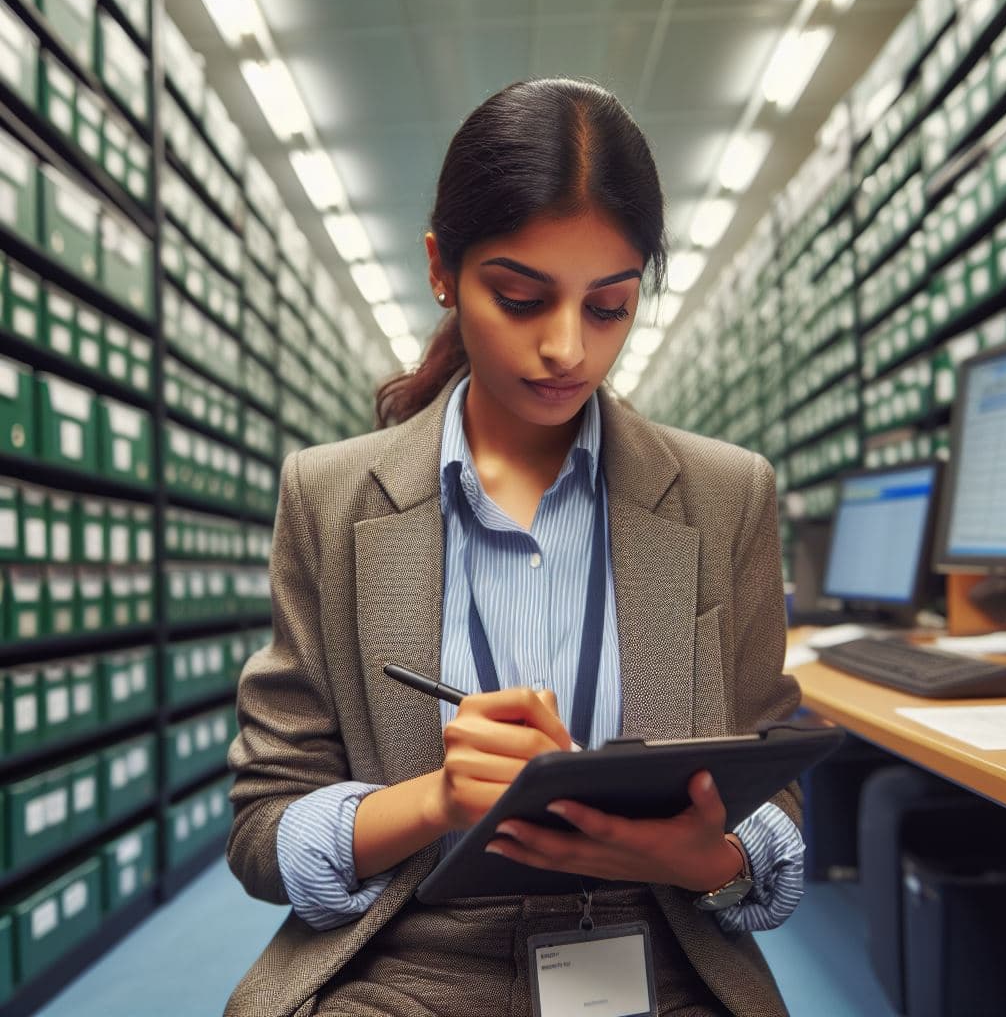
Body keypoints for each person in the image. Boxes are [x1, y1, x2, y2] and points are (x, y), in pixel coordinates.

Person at [224, 78, 803, 1017]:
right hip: (413, 963)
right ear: (441, 270)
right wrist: (437, 800)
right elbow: (264, 828)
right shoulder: (327, 498)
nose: (566, 348)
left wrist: (707, 858)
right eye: (521, 297)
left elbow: (775, 797)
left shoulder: (727, 496)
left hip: (657, 954)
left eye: (608, 307)